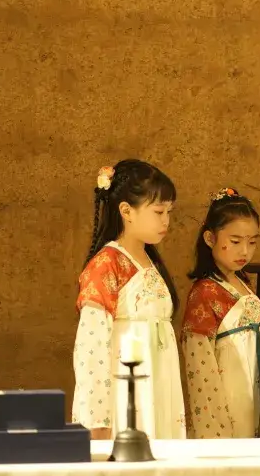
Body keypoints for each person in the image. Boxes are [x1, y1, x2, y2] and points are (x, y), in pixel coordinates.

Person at [72, 159, 186, 440]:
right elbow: (91, 346)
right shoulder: (106, 265)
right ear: (126, 211)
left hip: (160, 384)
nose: (166, 220)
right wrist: (97, 418)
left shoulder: (150, 263)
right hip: (128, 389)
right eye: (158, 211)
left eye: (169, 212)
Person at [181, 188, 260, 438]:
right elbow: (201, 370)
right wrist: (215, 432)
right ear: (210, 238)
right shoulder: (204, 293)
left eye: (252, 242)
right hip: (228, 409)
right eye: (236, 241)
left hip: (257, 400)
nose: (245, 251)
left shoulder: (243, 285)